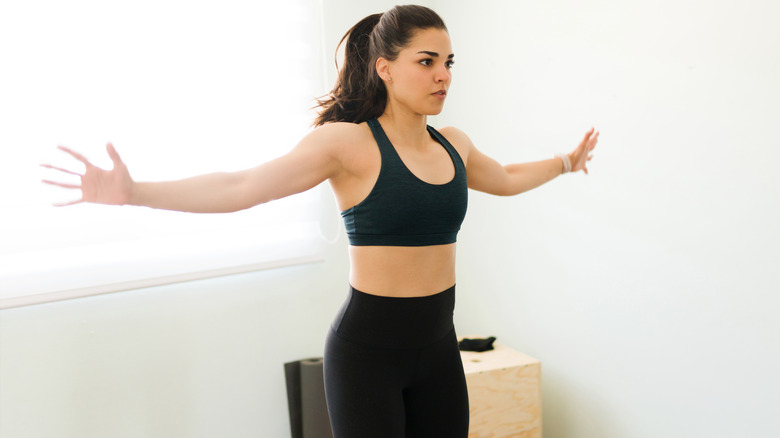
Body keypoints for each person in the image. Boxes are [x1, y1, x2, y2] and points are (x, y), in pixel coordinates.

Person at [43, 5, 598, 437]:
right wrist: (134, 192)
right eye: (425, 61)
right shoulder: (347, 145)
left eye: (448, 62)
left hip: (437, 349)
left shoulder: (453, 144)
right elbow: (242, 186)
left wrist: (566, 162)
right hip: (366, 356)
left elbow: (503, 176)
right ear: (385, 67)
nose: (442, 75)